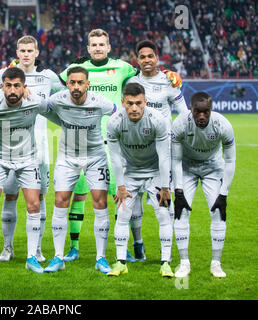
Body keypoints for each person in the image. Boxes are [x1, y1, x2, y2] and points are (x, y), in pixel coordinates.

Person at [58, 29, 182, 262]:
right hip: (82, 139)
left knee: (119, 194)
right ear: (87, 48)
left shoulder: (123, 67)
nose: (97, 48)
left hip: (115, 140)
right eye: (93, 44)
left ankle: (122, 247)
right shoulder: (76, 70)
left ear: (109, 47)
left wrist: (167, 74)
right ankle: (74, 247)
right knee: (79, 195)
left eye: (101, 44)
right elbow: (51, 83)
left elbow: (145, 73)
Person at [0, 35, 64, 263]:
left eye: (31, 50)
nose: (26, 54)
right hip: (8, 148)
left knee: (38, 199)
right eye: (22, 50)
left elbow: (62, 96)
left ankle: (36, 249)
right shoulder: (6, 76)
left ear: (37, 53)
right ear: (17, 53)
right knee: (9, 196)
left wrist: (35, 95)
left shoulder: (47, 77)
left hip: (39, 149)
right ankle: (6, 248)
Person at [0, 67, 51, 274]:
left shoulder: (34, 102)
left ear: (25, 87)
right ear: (2, 87)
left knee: (34, 205)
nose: (12, 90)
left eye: (17, 86)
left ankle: (31, 257)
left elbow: (56, 110)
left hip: (28, 160)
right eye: (8, 85)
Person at [43, 67, 116, 274]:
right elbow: (40, 106)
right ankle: (58, 257)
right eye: (72, 82)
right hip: (67, 157)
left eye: (80, 82)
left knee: (100, 202)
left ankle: (100, 258)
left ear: (87, 84)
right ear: (67, 84)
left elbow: (118, 113)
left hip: (95, 156)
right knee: (60, 201)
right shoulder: (57, 99)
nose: (76, 86)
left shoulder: (99, 101)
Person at [124, 40, 188, 261]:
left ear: (157, 58)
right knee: (132, 205)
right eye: (142, 57)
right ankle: (138, 243)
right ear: (137, 60)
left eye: (150, 56)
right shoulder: (130, 81)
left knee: (164, 202)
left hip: (163, 153)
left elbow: (183, 113)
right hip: (134, 151)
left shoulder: (169, 81)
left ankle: (166, 250)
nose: (147, 60)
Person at [106, 83, 174, 278]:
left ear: (145, 102)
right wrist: (120, 187)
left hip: (155, 171)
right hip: (131, 171)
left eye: (138, 103)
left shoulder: (157, 120)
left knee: (163, 213)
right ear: (122, 102)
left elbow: (164, 156)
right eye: (129, 104)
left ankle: (166, 263)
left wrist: (165, 186)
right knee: (122, 212)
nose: (134, 108)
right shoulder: (114, 122)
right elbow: (116, 158)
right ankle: (120, 262)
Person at [171, 92, 236, 278]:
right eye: (197, 112)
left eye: (205, 112)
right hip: (187, 167)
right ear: (190, 109)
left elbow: (230, 160)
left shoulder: (223, 125)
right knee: (181, 211)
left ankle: (216, 263)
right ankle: (184, 263)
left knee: (218, 212)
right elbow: (175, 160)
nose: (201, 116)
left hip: (213, 167)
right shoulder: (180, 124)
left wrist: (223, 195)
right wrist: (179, 191)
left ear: (211, 110)